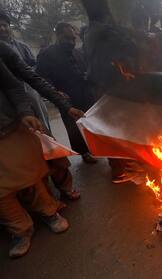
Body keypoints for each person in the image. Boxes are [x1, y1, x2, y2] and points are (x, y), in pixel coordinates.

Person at [0, 13, 83, 200]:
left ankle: (65, 188)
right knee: (20, 164)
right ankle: (44, 201)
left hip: (28, 107)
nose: (3, 29)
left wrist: (65, 106)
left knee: (50, 147)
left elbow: (33, 77)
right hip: (5, 120)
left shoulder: (15, 49)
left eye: (5, 25)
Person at [0, 60, 69, 259]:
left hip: (9, 127)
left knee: (30, 177)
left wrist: (25, 112)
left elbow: (13, 85)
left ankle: (49, 212)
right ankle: (20, 230)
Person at [37, 22, 97, 164]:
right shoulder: (46, 54)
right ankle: (84, 152)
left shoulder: (78, 52)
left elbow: (87, 70)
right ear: (58, 36)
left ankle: (97, 148)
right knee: (73, 127)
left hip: (86, 94)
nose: (71, 42)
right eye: (67, 38)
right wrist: (55, 92)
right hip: (66, 98)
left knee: (91, 124)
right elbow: (40, 77)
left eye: (73, 39)